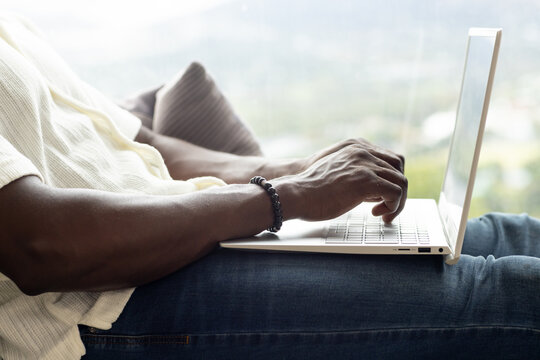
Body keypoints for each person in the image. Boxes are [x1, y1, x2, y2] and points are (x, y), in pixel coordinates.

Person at [0, 13, 538, 360]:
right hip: (106, 309)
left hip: (187, 234)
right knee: (505, 296)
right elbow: (40, 245)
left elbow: (143, 141)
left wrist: (297, 170)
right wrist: (282, 200)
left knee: (511, 237)